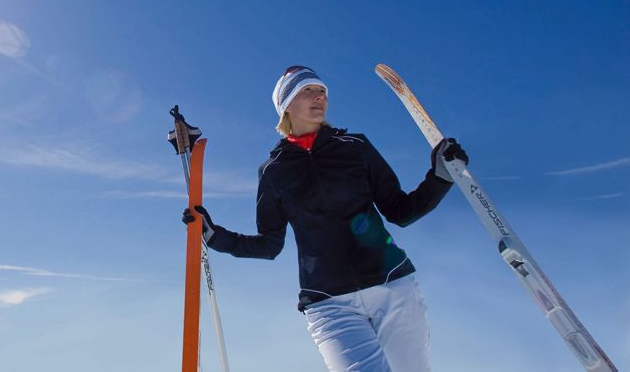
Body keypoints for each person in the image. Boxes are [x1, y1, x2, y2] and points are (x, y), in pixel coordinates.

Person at [182, 65, 468, 372]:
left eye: (323, 92)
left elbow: (400, 210)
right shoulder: (273, 171)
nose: (319, 97)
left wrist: (440, 177)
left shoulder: (355, 147)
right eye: (307, 91)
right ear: (286, 105)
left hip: (393, 288)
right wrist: (215, 236)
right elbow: (269, 245)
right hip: (329, 303)